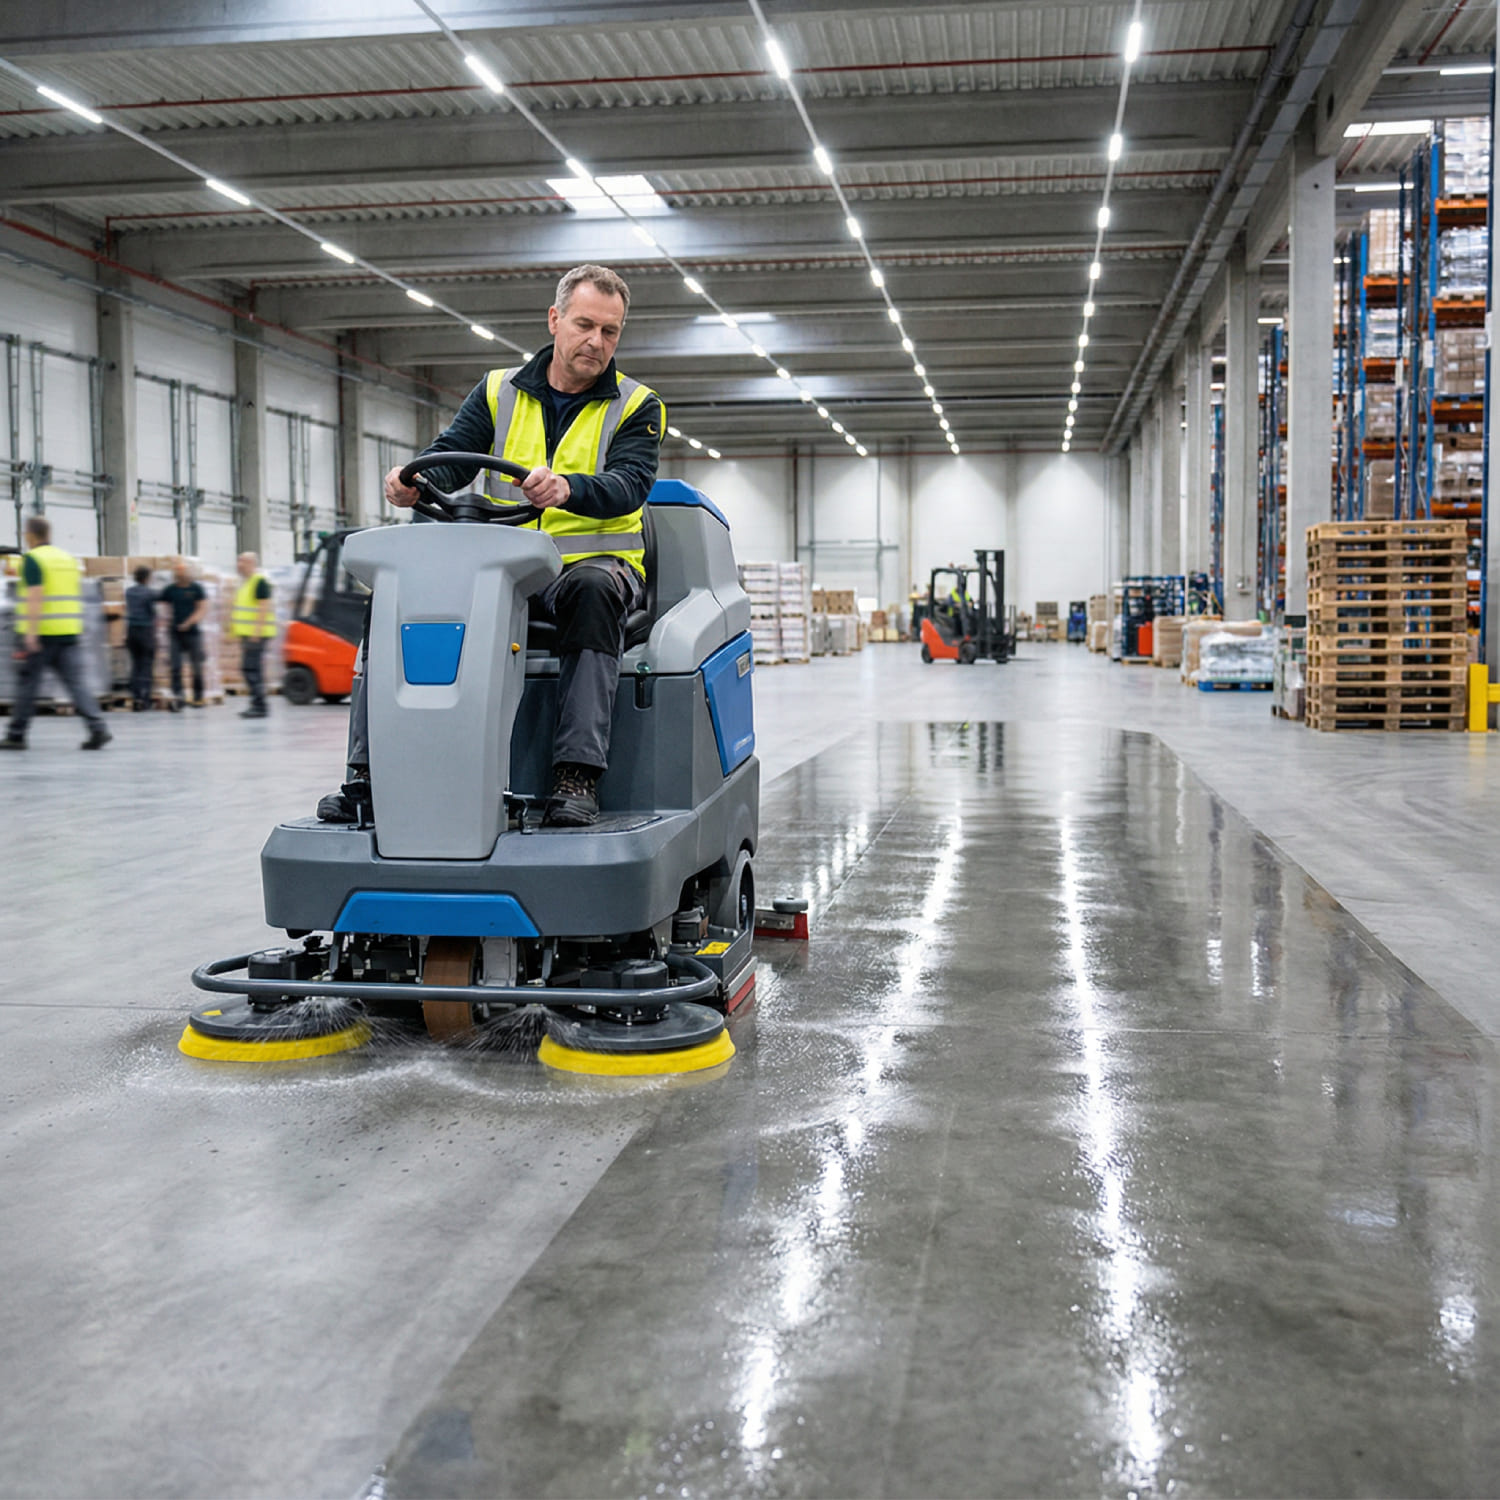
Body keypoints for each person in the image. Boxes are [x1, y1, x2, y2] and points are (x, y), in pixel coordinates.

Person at [317, 262, 663, 828]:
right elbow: (452, 455)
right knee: (392, 600)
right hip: (506, 569)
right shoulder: (498, 391)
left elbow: (629, 485)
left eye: (610, 331)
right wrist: (414, 482)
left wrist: (568, 488)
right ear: (554, 320)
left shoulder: (637, 405)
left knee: (593, 590)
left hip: (591, 568)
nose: (596, 342)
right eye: (584, 325)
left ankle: (576, 774)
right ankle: (369, 776)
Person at [2, 514, 111, 750]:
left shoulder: (33, 560)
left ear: (30, 535)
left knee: (28, 684)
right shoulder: (68, 559)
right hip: (68, 633)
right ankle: (98, 728)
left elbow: (35, 596)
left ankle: (16, 735)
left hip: (41, 634)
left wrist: (30, 633)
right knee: (76, 684)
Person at [158, 559, 208, 709]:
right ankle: (178, 696)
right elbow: (160, 604)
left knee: (196, 667)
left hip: (193, 633)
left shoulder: (196, 589)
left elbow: (202, 609)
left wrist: (189, 622)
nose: (179, 573)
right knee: (176, 666)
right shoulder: (170, 590)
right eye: (177, 571)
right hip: (175, 633)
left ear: (188, 573)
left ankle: (198, 697)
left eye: (181, 570)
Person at [230, 551, 274, 719]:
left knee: (251, 668)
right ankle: (257, 704)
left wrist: (256, 632)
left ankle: (259, 705)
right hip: (248, 634)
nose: (239, 565)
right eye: (238, 561)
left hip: (257, 635)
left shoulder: (259, 581)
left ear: (251, 563)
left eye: (242, 561)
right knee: (252, 669)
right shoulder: (246, 583)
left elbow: (264, 607)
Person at [124, 564, 157, 711]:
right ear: (146, 578)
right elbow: (152, 611)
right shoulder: (149, 593)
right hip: (145, 631)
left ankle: (136, 696)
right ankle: (144, 698)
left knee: (136, 664)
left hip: (131, 631)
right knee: (146, 664)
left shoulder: (129, 592)